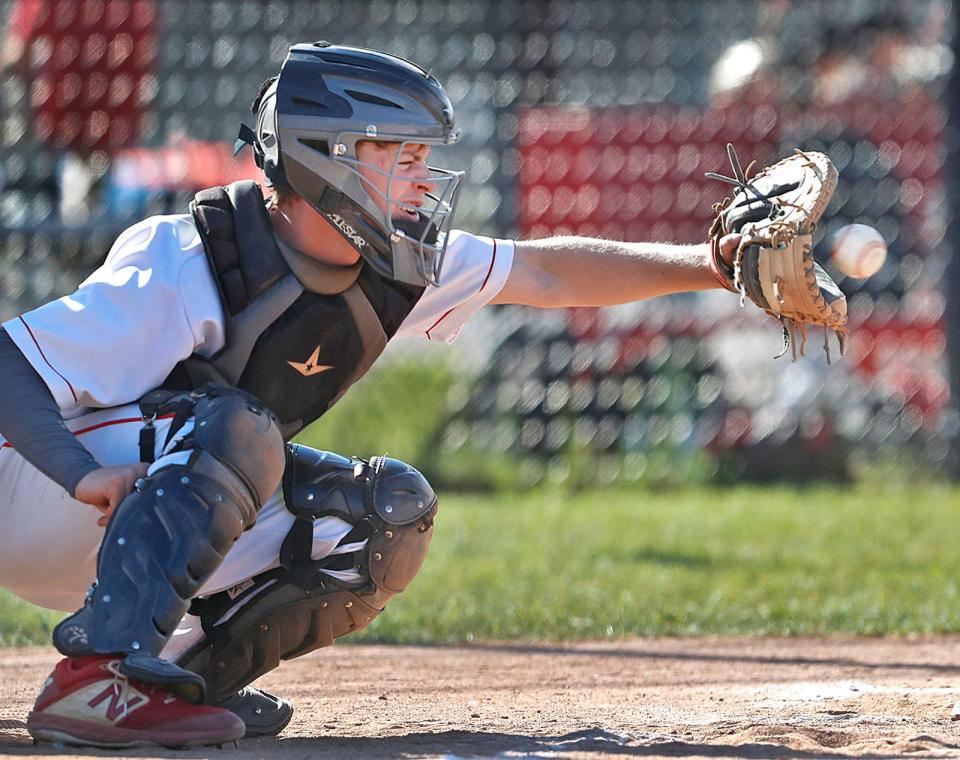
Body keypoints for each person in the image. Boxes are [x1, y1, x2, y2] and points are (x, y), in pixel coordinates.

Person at [1, 42, 752, 749]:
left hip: (126, 514)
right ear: (326, 160)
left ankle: (185, 684)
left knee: (381, 519)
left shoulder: (390, 262)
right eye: (404, 157)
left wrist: (713, 265)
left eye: (426, 158)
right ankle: (100, 679)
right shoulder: (194, 255)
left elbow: (546, 273)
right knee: (241, 429)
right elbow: (8, 362)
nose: (425, 181)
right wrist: (76, 471)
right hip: (38, 491)